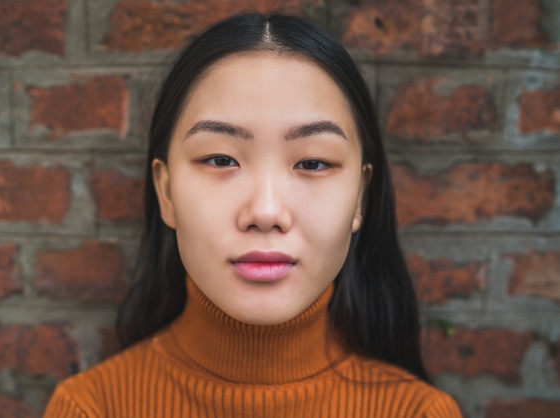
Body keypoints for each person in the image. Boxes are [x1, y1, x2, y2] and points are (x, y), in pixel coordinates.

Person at [44, 12, 462, 417]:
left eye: (313, 163)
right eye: (221, 159)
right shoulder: (92, 408)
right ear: (166, 191)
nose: (265, 212)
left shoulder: (419, 413)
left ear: (360, 200)